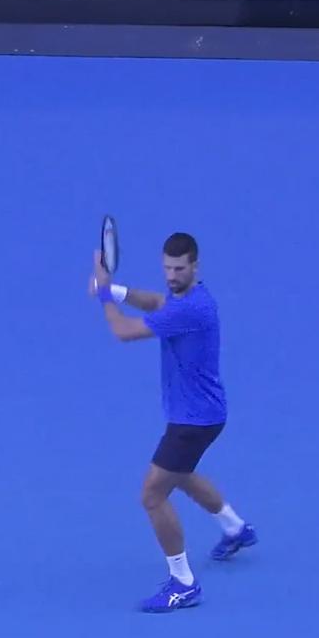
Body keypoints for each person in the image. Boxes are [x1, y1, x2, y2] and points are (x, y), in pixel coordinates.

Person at [90, 232, 257, 612]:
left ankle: (183, 583)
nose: (172, 275)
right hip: (202, 415)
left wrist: (103, 296)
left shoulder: (190, 309)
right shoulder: (188, 298)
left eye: (179, 269)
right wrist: (116, 290)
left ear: (195, 267)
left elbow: (124, 332)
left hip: (193, 422)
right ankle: (235, 528)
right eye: (167, 268)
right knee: (180, 474)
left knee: (152, 494)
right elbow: (155, 301)